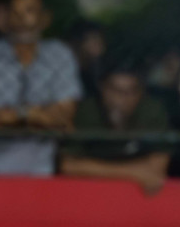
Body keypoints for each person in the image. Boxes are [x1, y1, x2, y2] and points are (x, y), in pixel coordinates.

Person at [0, 0, 81, 176]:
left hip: (41, 171)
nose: (21, 20)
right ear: (6, 18)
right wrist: (29, 114)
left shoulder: (60, 55)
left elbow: (63, 117)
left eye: (29, 11)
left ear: (45, 18)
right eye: (14, 13)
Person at [59, 65, 171, 194]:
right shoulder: (86, 112)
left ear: (141, 93)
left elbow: (156, 170)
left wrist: (92, 168)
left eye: (130, 91)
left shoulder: (152, 112)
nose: (121, 99)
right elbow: (68, 165)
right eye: (115, 90)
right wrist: (135, 172)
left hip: (138, 199)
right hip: (91, 192)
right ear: (102, 88)